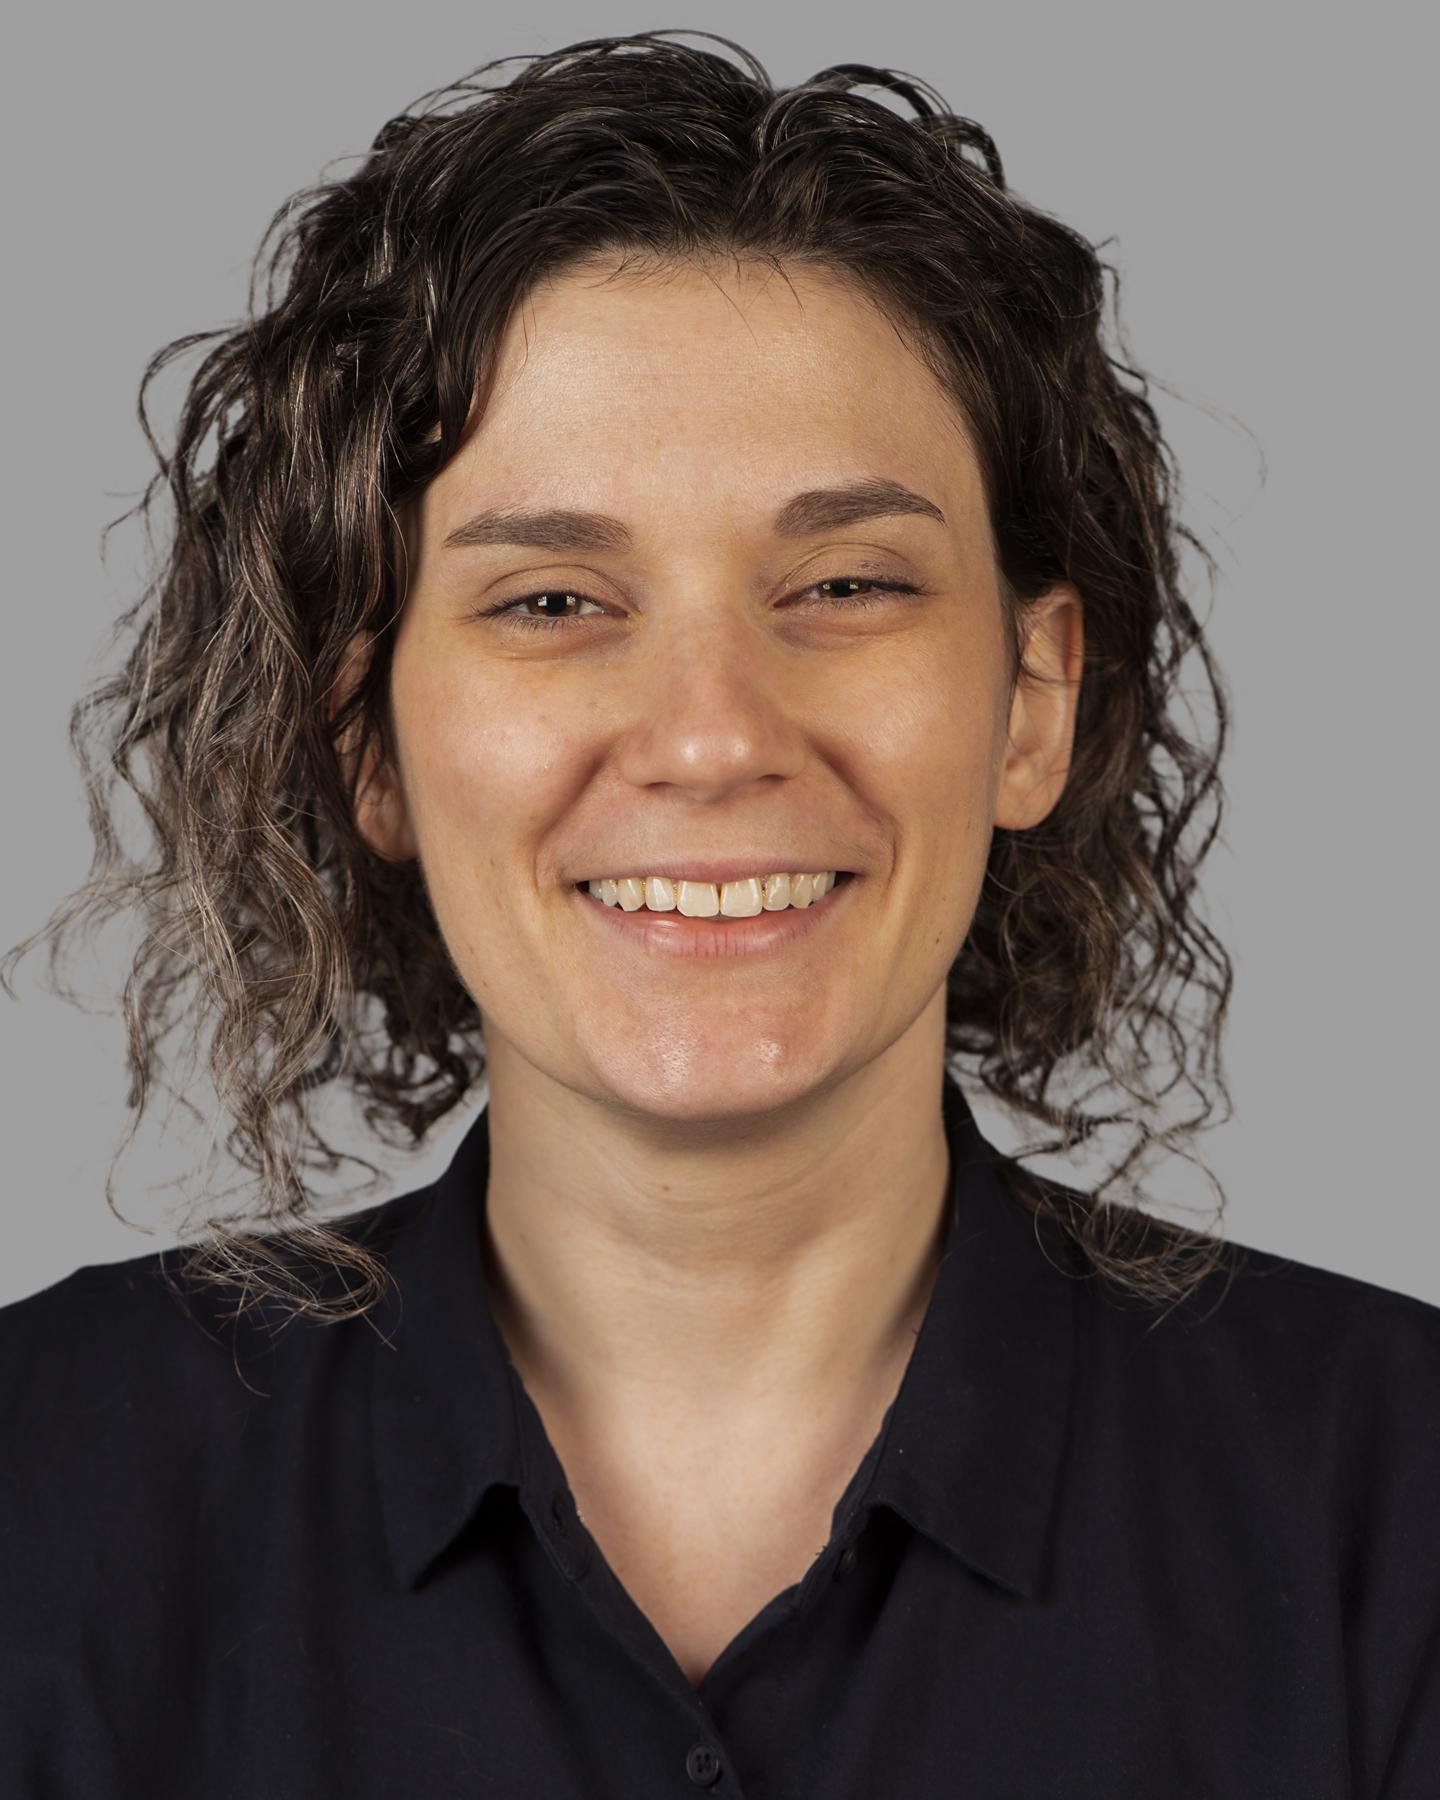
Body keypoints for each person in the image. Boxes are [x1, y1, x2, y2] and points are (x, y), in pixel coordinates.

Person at [1, 28, 1434, 1798]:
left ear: (1035, 699)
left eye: (844, 583)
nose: (711, 735)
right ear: (364, 736)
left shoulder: (1400, 1507)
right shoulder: (35, 1487)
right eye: (550, 601)